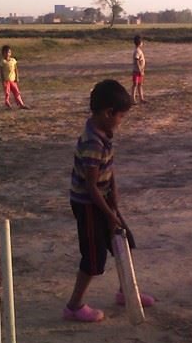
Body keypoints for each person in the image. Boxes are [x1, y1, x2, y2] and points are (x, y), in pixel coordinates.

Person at [66, 79, 154, 322]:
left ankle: (126, 291)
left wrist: (114, 192)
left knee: (124, 240)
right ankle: (73, 306)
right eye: (121, 116)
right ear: (108, 113)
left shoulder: (104, 133)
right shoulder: (93, 142)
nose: (121, 121)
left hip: (102, 198)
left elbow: (108, 170)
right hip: (88, 204)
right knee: (94, 258)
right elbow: (91, 186)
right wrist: (109, 214)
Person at [0, 44, 29, 109]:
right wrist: (3, 80)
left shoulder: (13, 60)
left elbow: (16, 69)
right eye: (6, 52)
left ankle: (21, 104)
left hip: (13, 79)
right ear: (3, 53)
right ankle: (7, 103)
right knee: (7, 93)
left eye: (9, 52)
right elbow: (1, 71)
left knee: (16, 92)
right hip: (6, 80)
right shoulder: (2, 62)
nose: (7, 54)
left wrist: (17, 77)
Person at [131, 34, 147, 104]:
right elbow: (136, 60)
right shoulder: (137, 51)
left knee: (140, 84)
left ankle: (141, 98)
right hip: (137, 71)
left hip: (140, 71)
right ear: (140, 43)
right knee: (135, 84)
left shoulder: (139, 50)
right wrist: (140, 70)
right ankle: (133, 99)